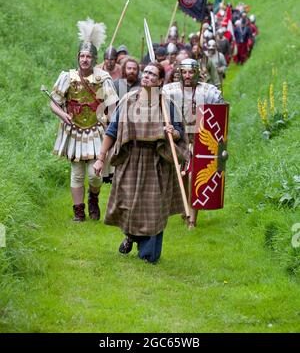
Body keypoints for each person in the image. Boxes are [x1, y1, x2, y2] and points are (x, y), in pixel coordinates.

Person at [94, 62, 189, 264]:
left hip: (157, 161)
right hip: (131, 159)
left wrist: (174, 132)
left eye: (152, 74)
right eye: (145, 72)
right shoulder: (128, 100)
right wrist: (101, 158)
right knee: (129, 204)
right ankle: (131, 235)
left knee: (153, 208)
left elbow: (180, 135)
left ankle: (148, 255)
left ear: (160, 80)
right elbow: (112, 132)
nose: (146, 76)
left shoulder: (167, 105)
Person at [50, 18, 119, 222]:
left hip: (96, 130)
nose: (85, 59)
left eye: (89, 56)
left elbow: (113, 104)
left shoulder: (102, 78)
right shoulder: (67, 77)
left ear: (94, 59)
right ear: (78, 57)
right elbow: (54, 102)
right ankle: (79, 212)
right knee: (77, 174)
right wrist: (63, 115)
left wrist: (111, 123)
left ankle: (94, 198)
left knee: (95, 174)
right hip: (74, 131)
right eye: (82, 56)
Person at [163, 59, 224, 229]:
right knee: (181, 177)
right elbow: (161, 110)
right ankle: (185, 208)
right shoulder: (170, 91)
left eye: (190, 72)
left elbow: (220, 111)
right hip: (180, 139)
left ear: (196, 72)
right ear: (180, 73)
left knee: (194, 177)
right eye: (184, 72)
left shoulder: (209, 91)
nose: (187, 76)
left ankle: (192, 220)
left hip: (200, 139)